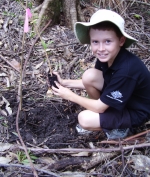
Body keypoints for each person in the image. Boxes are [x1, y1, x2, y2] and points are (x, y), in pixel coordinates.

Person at [51, 9, 150, 139]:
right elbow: (92, 81)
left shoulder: (126, 70)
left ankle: (121, 127)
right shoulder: (108, 57)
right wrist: (65, 83)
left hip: (135, 111)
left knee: (84, 119)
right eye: (95, 42)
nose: (101, 48)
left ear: (121, 41)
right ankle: (107, 117)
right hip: (121, 99)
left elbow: (99, 107)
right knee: (89, 76)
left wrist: (69, 95)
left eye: (108, 41)